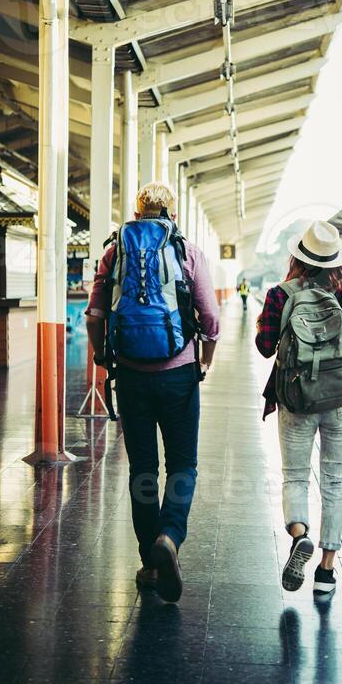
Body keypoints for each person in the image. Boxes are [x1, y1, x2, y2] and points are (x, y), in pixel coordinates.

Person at [85, 182, 220, 602]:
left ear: (137, 212)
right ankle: (170, 536)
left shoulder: (115, 250)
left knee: (142, 468)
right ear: (172, 214)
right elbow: (211, 317)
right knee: (183, 464)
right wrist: (205, 359)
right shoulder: (187, 251)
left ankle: (149, 562)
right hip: (179, 375)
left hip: (132, 377)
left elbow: (94, 314)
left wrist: (103, 355)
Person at [255, 221, 342, 595]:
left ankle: (299, 535)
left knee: (295, 475)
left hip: (296, 397)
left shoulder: (281, 293)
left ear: (299, 257)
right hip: (340, 398)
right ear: (335, 260)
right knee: (335, 480)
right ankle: (326, 571)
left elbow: (264, 346)